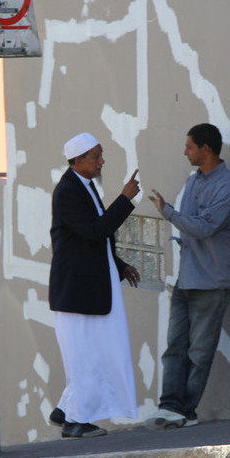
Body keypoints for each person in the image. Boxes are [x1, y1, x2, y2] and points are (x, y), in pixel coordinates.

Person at [145, 123, 230, 430]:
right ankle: (170, 406)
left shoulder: (227, 187)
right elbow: (190, 225)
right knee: (174, 346)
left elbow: (203, 227)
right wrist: (174, 214)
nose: (184, 152)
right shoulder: (193, 181)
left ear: (206, 149)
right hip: (187, 279)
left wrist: (168, 212)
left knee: (199, 351)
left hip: (212, 282)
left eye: (189, 146)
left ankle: (186, 411)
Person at [48, 132, 142, 438]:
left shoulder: (83, 187)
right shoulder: (68, 191)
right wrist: (125, 198)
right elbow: (94, 232)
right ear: (78, 160)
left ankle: (66, 410)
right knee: (86, 356)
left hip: (91, 288)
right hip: (76, 291)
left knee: (95, 353)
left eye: (100, 155)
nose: (102, 161)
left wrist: (121, 265)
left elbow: (95, 243)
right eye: (96, 156)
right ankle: (76, 420)